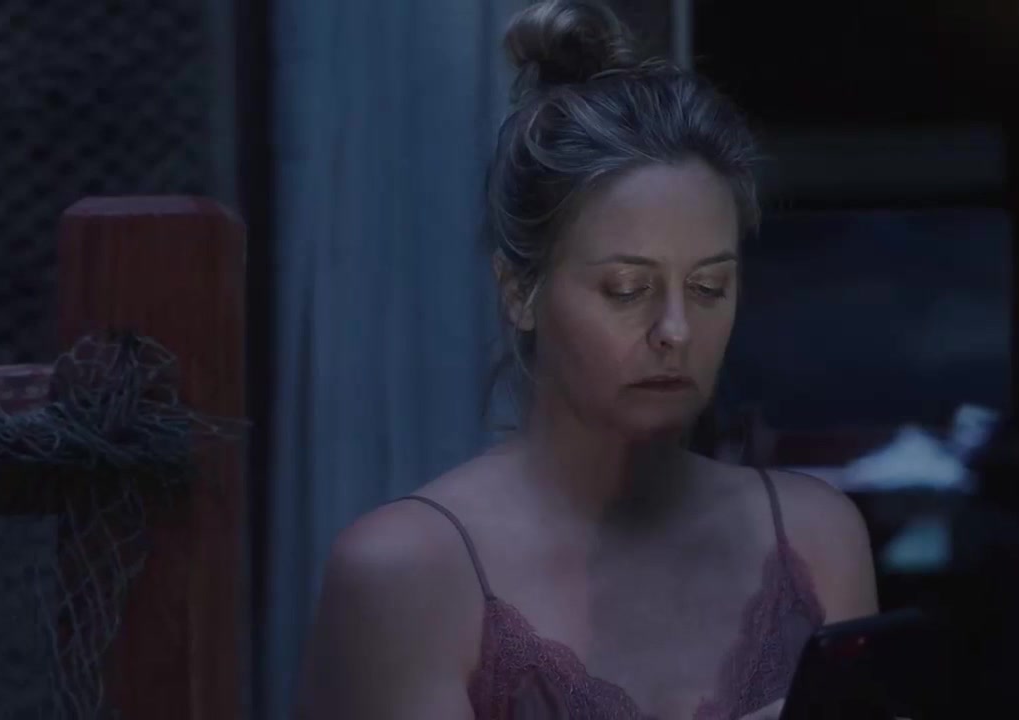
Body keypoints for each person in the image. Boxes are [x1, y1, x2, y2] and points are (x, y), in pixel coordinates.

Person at [293, 2, 878, 719]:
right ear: (520, 292)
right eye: (627, 289)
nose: (675, 330)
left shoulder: (815, 539)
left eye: (708, 288)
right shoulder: (406, 572)